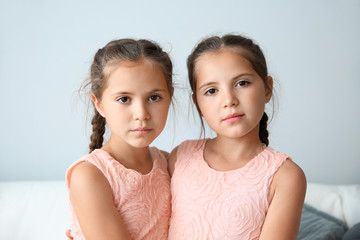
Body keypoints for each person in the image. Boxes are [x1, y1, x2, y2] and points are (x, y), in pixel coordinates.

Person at [168, 34, 307, 240]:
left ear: (267, 88)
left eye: (242, 83)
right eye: (212, 90)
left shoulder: (285, 176)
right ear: (197, 102)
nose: (229, 100)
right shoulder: (180, 157)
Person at [66, 38, 173, 240]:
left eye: (154, 97)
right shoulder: (91, 176)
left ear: (170, 96)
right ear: (98, 104)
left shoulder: (169, 163)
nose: (141, 114)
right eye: (124, 99)